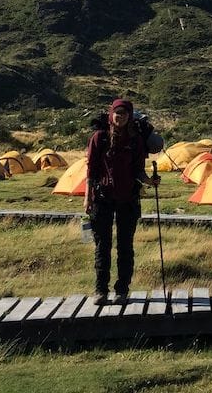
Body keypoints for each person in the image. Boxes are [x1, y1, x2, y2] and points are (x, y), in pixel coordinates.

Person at [85, 98, 155, 306]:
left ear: (130, 116)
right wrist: (87, 197)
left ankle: (122, 291)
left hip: (128, 199)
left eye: (125, 113)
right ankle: (101, 290)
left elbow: (138, 170)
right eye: (117, 113)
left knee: (125, 246)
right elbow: (91, 170)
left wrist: (149, 181)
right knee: (102, 246)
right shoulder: (99, 137)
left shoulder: (136, 140)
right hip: (102, 198)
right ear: (111, 114)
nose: (120, 116)